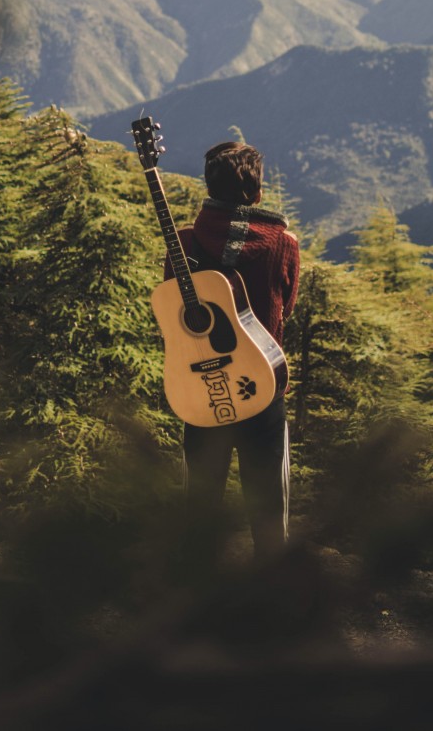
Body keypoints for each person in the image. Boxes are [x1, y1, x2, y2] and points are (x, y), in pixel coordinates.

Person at [165, 140, 300, 560]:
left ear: (209, 188)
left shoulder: (183, 242)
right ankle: (273, 595)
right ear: (258, 194)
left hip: (202, 388)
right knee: (269, 511)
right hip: (260, 386)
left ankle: (196, 597)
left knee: (199, 509)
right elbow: (286, 308)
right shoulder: (284, 244)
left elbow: (174, 316)